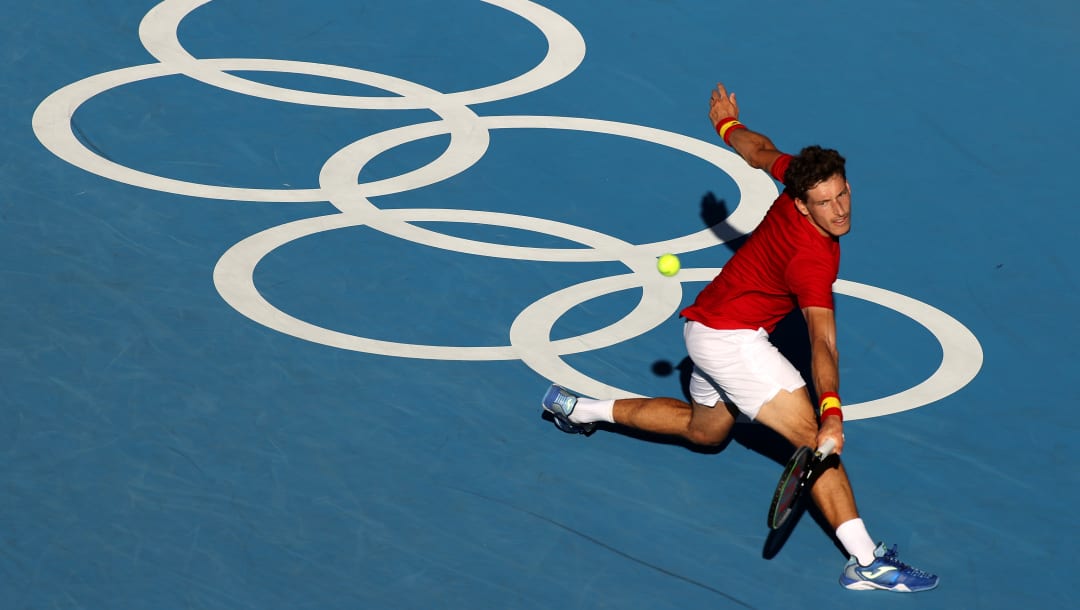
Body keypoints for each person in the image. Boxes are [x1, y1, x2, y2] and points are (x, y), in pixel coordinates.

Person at [541, 83, 939, 593]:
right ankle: (866, 563)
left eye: (843, 194)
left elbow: (759, 151)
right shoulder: (812, 261)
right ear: (800, 205)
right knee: (813, 440)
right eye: (824, 202)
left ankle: (577, 408)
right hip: (730, 340)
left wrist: (727, 125)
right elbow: (823, 343)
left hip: (703, 327)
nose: (839, 210)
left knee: (706, 433)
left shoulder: (796, 175)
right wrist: (832, 415)